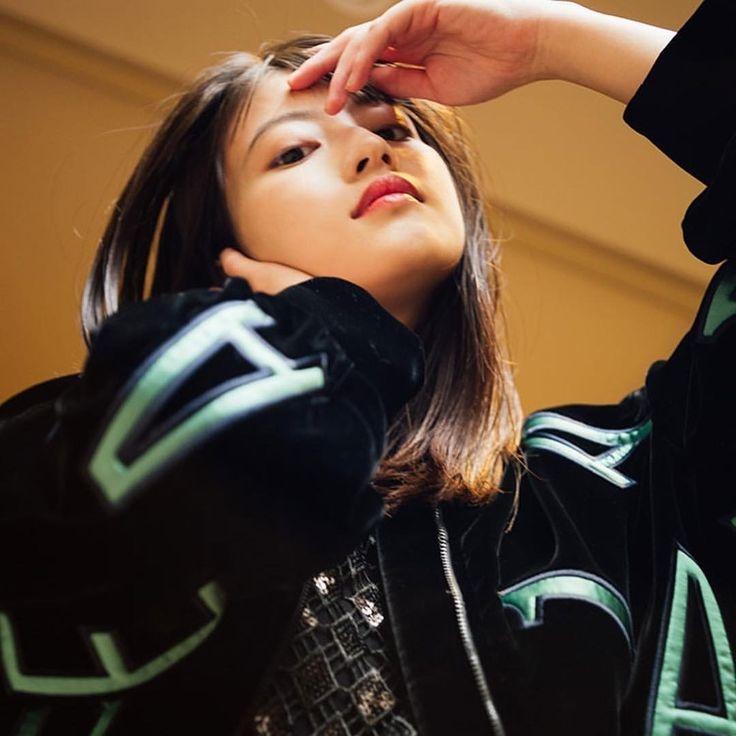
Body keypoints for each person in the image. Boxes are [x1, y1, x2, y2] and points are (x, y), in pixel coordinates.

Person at [0, 0, 733, 732]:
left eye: (393, 128)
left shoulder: (616, 485)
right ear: (220, 256)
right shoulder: (61, 450)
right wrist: (331, 332)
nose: (370, 149)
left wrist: (552, 39)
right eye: (293, 152)